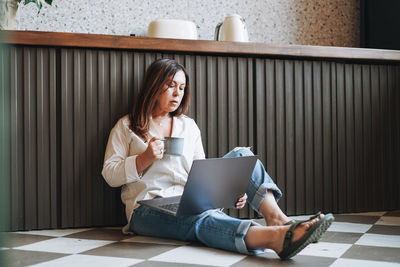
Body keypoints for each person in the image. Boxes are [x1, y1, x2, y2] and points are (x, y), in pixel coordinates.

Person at [102, 58, 334, 260]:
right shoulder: (127, 126)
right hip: (146, 209)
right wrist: (144, 158)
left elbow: (200, 173)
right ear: (153, 86)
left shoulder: (188, 126)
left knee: (244, 154)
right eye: (170, 85)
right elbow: (110, 175)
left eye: (182, 88)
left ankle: (278, 220)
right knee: (199, 218)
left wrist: (228, 192)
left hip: (188, 200)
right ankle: (275, 239)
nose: (177, 93)